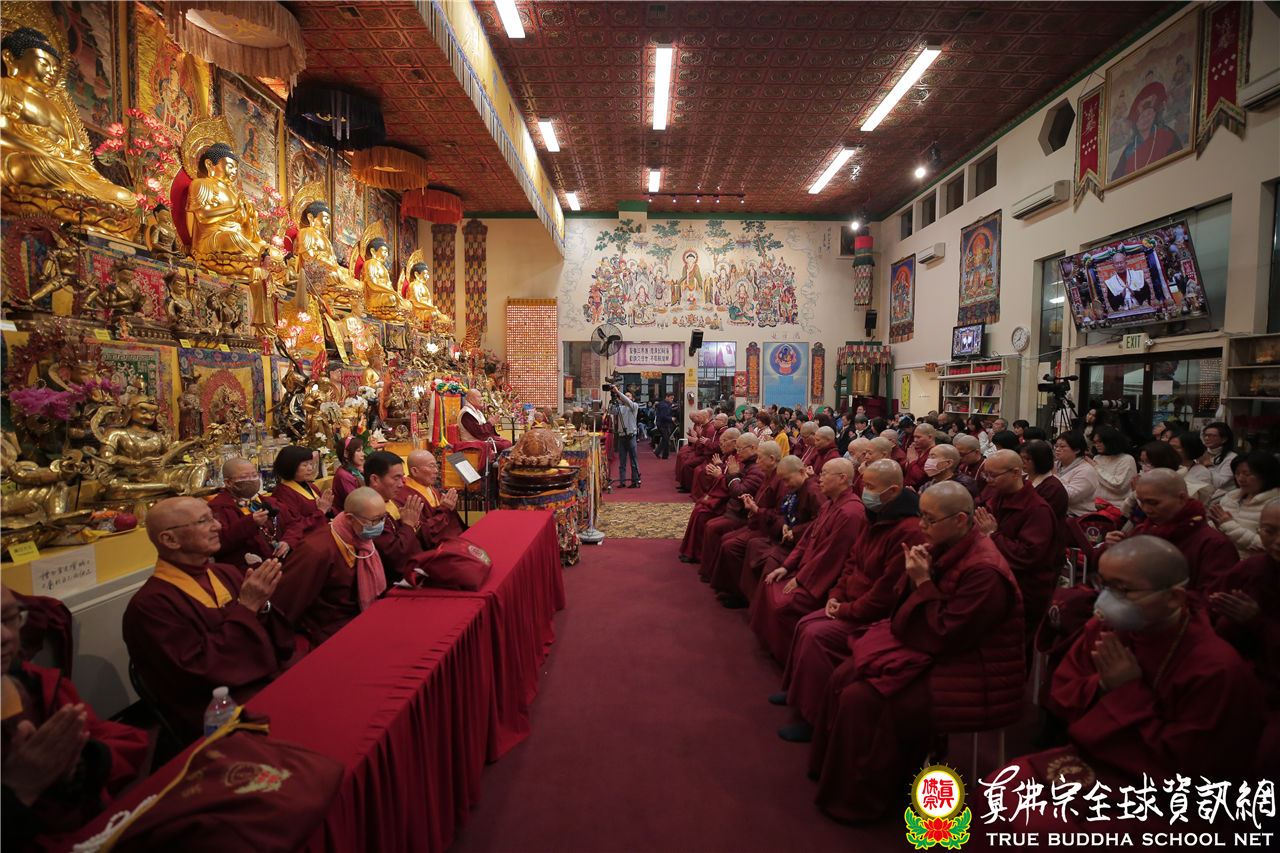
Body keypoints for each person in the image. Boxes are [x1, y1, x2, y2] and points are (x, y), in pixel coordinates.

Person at [987, 537, 1264, 829]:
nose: (1107, 600)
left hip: (1167, 792)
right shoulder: (1106, 628)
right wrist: (1102, 686)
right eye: (1104, 585)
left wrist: (1127, 690)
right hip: (1099, 754)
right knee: (1000, 789)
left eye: (1122, 590)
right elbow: (1064, 690)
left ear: (1174, 598)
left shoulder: (1215, 666)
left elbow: (1196, 765)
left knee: (1041, 827)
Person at [809, 481, 1024, 822]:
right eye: (921, 516)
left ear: (960, 520)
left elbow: (947, 634)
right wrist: (915, 577)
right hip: (935, 648)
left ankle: (860, 799)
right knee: (844, 675)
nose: (921, 526)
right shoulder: (945, 544)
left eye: (929, 519)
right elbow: (910, 609)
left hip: (972, 669)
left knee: (863, 699)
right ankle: (833, 775)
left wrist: (922, 581)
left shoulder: (985, 571)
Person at [123, 497, 298, 739]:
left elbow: (281, 644)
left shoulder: (225, 573)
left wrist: (263, 605)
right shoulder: (150, 605)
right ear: (170, 540)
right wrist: (248, 607)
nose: (218, 526)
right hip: (218, 711)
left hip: (264, 679)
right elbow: (200, 672)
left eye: (213, 518)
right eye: (204, 521)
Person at [774, 460, 925, 738]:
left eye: (870, 486)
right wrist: (836, 594)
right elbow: (852, 561)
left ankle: (815, 718)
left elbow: (886, 591)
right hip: (849, 598)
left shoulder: (908, 530)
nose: (863, 491)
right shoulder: (874, 514)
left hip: (873, 614)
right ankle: (798, 692)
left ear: (893, 491)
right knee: (805, 625)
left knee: (815, 634)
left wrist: (845, 609)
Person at [2, 586, 148, 850]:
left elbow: (120, 742)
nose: (5, 636)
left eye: (8, 618)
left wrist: (80, 763)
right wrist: (17, 790)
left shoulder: (37, 683)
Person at [750, 459, 866, 663]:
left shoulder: (851, 512)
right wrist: (787, 567)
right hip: (807, 567)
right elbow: (806, 540)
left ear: (842, 478)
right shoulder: (829, 504)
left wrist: (801, 579)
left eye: (825, 474)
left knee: (783, 603)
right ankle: (774, 645)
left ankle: (789, 657)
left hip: (822, 580)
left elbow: (831, 557)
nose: (819, 478)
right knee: (772, 581)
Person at [1209, 502, 1280, 764]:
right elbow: (1210, 610)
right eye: (1269, 531)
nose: (1278, 542)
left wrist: (1257, 622)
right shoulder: (1252, 568)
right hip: (1236, 676)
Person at [272, 487, 388, 647]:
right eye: (375, 521)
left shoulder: (361, 539)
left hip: (358, 617)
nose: (380, 525)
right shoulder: (317, 550)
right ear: (350, 518)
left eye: (383, 518)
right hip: (330, 631)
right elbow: (289, 602)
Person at [1101, 469, 1238, 593]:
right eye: (1142, 502)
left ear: (1182, 498)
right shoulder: (1143, 531)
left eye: (1153, 503)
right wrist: (1111, 548)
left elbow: (1211, 600)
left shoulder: (1214, 545)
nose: (1146, 510)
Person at [975, 449, 1060, 628]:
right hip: (996, 581)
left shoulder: (1037, 509)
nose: (988, 480)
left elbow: (1028, 555)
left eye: (993, 475)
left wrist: (992, 535)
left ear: (1015, 473)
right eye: (985, 475)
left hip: (1025, 591)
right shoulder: (997, 497)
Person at [700, 439, 782, 587]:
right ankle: (713, 574)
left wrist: (732, 475)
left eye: (760, 458)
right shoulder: (762, 471)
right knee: (711, 525)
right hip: (745, 512)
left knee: (724, 540)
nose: (758, 461)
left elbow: (739, 491)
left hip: (749, 519)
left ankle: (736, 590)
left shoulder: (760, 471)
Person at [680, 432, 760, 565]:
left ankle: (699, 555)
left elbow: (737, 488)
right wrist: (720, 468)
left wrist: (720, 475)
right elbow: (731, 478)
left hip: (732, 505)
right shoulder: (734, 457)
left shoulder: (748, 464)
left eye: (723, 442)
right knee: (699, 507)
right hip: (729, 500)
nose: (720, 445)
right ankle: (692, 551)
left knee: (702, 515)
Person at [208, 458, 287, 570]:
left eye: (254, 476)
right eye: (244, 477)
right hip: (245, 568)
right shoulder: (219, 507)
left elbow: (294, 523)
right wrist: (250, 523)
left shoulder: (266, 501)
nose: (251, 480)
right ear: (228, 482)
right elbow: (217, 544)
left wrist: (288, 541)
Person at [362, 450, 426, 584]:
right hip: (392, 581)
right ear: (375, 479)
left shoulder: (391, 501)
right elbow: (394, 556)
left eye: (402, 478)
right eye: (396, 478)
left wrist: (413, 525)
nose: (401, 484)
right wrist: (408, 525)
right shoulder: (368, 511)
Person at [1208, 451, 1280, 558]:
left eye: (1247, 474)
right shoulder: (1230, 498)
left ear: (1266, 475)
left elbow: (1267, 546)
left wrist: (1228, 526)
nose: (1240, 479)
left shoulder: (1275, 505)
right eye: (1237, 474)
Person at [398, 449, 466, 549]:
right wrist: (444, 509)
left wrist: (449, 508)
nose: (436, 471)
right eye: (431, 466)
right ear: (414, 471)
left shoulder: (431, 488)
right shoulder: (407, 497)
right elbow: (422, 532)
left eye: (436, 466)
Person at [269, 445, 334, 549]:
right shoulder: (283, 493)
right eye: (305, 465)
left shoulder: (311, 486)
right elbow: (295, 526)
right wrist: (321, 511)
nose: (310, 468)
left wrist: (328, 509)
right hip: (307, 544)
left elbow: (326, 509)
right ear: (290, 466)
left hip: (323, 534)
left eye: (311, 464)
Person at [1053, 431, 1100, 517]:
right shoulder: (1055, 465)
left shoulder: (1086, 471)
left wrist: (1054, 476)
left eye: (1062, 447)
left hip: (1075, 516)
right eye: (1056, 446)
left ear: (1077, 450)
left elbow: (1069, 497)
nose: (1057, 449)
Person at [1021, 439, 1069, 520]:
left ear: (1040, 460)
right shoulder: (1021, 479)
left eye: (1027, 459)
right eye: (1021, 458)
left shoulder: (1053, 487)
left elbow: (1041, 517)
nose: (1022, 462)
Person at [1090, 425, 1137, 507]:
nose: (1097, 445)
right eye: (1095, 442)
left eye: (1100, 442)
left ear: (1111, 442)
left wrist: (1096, 467)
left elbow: (1118, 486)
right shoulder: (1097, 458)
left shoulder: (1127, 459)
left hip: (1118, 506)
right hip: (1096, 503)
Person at [691, 427, 740, 503]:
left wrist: (718, 467)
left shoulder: (738, 458)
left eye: (724, 441)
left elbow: (730, 479)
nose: (721, 445)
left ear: (735, 443)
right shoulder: (729, 454)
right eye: (720, 443)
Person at [607, 383, 641, 489]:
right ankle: (622, 481)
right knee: (622, 461)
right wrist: (613, 399)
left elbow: (628, 402)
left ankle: (635, 480)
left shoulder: (634, 407)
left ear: (632, 399)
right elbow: (611, 411)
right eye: (625, 396)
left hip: (631, 437)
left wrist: (618, 392)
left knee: (633, 461)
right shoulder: (621, 408)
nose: (626, 397)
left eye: (628, 396)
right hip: (621, 437)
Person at [1170, 431, 1214, 503]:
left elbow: (1201, 499)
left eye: (1175, 447)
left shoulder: (1201, 472)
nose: (1170, 450)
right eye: (1169, 446)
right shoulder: (1164, 466)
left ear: (1189, 449)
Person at [1200, 421, 1238, 495]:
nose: (1207, 438)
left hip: (1223, 496)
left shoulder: (1231, 458)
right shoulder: (1202, 453)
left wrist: (1208, 464)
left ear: (1224, 439)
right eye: (1205, 435)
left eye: (1211, 436)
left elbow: (1219, 483)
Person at [331, 436, 366, 510]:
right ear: (346, 453)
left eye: (362, 450)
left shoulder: (356, 470)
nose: (363, 454)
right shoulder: (343, 476)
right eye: (358, 451)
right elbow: (356, 503)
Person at [902, 423, 937, 489]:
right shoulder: (918, 451)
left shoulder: (935, 454)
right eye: (914, 437)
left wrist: (912, 462)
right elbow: (903, 467)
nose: (915, 440)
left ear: (930, 437)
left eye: (918, 437)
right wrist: (908, 462)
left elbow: (921, 479)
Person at [653, 393, 675, 459]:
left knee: (665, 439)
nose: (672, 399)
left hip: (662, 424)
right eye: (671, 398)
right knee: (666, 440)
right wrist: (671, 418)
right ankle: (663, 455)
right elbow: (663, 416)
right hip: (663, 425)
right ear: (667, 397)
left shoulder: (664, 404)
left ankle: (660, 453)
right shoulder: (664, 405)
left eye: (673, 398)